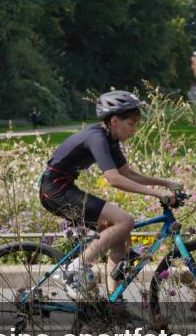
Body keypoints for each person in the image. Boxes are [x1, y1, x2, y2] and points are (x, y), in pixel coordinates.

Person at [39, 91, 180, 301]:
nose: (134, 129)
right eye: (131, 124)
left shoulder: (110, 139)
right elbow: (114, 179)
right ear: (114, 121)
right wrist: (158, 193)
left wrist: (165, 183)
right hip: (55, 191)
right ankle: (74, 269)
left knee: (120, 241)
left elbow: (128, 174)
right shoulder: (96, 137)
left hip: (63, 188)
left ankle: (115, 303)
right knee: (125, 221)